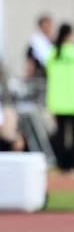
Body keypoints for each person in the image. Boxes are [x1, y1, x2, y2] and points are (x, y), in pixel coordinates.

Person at [45, 23, 74, 171]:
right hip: (72, 100)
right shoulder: (72, 52)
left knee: (61, 134)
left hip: (57, 101)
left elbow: (49, 77)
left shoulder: (52, 53)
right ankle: (71, 162)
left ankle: (62, 163)